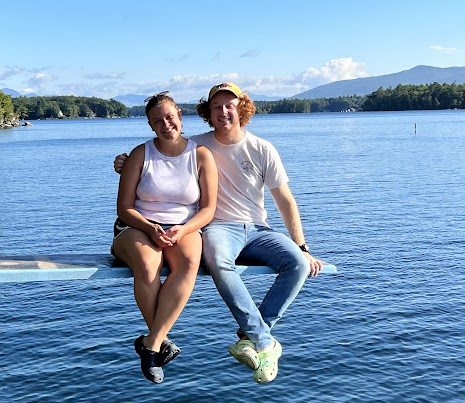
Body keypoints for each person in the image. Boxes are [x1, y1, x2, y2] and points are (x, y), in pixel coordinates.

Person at [116, 81, 323, 384]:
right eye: (216, 107)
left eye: (230, 105)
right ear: (207, 114)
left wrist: (302, 247)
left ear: (242, 108)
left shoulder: (262, 149)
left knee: (298, 265)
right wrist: (125, 162)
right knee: (218, 263)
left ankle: (254, 332)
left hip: (257, 228)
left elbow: (285, 200)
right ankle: (263, 342)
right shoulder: (196, 145)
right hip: (217, 228)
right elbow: (164, 150)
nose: (223, 112)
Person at [113, 92, 218, 383]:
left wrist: (183, 230)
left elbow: (208, 208)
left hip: (183, 227)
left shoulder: (200, 155)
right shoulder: (140, 154)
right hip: (135, 226)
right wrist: (149, 228)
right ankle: (160, 343)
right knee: (148, 264)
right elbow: (124, 207)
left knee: (188, 263)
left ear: (180, 116)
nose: (165, 124)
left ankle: (151, 344)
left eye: (169, 117)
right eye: (157, 121)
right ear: (150, 126)